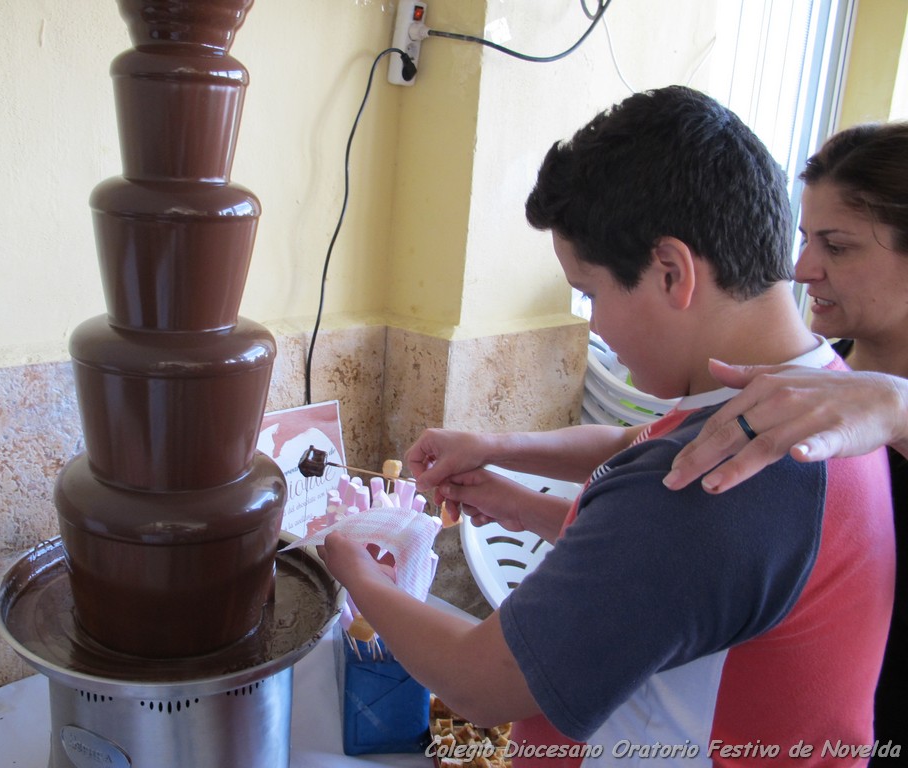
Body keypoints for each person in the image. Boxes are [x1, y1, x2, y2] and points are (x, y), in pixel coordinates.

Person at [318, 86, 895, 765]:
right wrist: (504, 471)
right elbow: (638, 457)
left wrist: (354, 569)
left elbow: (479, 682)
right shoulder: (814, 394)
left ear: (672, 272)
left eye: (591, 293)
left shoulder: (712, 479)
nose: (594, 324)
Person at [666, 121, 908, 761]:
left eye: (838, 246)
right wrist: (509, 460)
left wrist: (897, 408)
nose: (802, 270)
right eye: (804, 239)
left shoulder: (877, 402)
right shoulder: (820, 373)